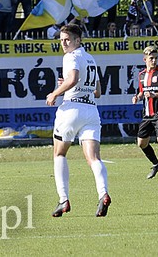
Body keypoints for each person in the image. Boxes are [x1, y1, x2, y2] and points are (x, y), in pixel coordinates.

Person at [45, 23, 111, 217]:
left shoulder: (70, 57)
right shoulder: (90, 59)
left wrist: (55, 93)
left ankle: (63, 199)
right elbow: (97, 92)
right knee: (93, 158)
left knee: (59, 154)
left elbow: (73, 79)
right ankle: (103, 193)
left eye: (67, 40)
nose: (64, 44)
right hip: (90, 110)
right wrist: (66, 85)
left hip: (71, 108)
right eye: (61, 40)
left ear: (77, 40)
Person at [132, 45, 158, 180]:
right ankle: (156, 164)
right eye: (151, 58)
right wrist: (137, 97)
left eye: (156, 58)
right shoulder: (142, 75)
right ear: (145, 59)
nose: (154, 61)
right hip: (147, 114)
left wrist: (154, 95)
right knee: (141, 143)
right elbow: (142, 91)